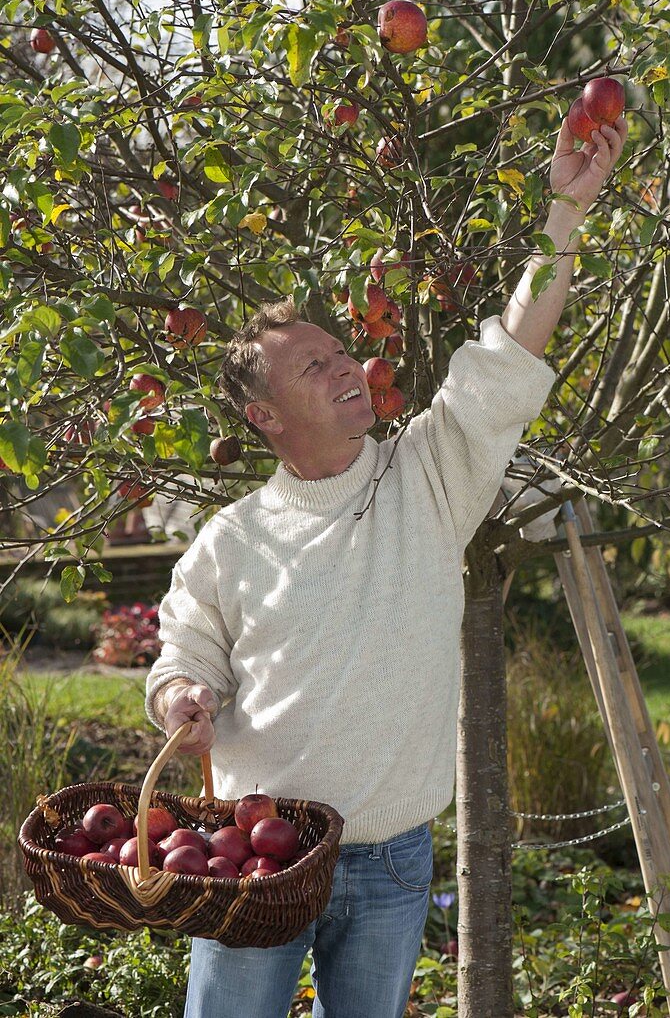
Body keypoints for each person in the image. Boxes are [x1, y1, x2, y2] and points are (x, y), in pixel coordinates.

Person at [145, 114, 628, 1018]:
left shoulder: (428, 477)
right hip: (259, 853)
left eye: (341, 354)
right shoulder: (232, 537)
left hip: (394, 852)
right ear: (265, 417)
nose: (347, 370)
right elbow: (187, 647)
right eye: (316, 368)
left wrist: (566, 214)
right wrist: (181, 696)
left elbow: (507, 357)